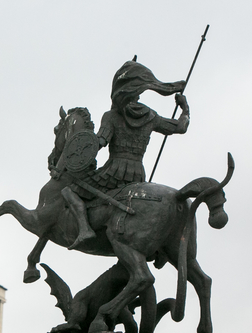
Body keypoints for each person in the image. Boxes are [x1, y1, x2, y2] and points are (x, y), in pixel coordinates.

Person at [61, 58, 190, 250]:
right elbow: (180, 127)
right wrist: (184, 107)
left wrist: (81, 150)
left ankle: (85, 229)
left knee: (69, 190)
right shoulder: (150, 116)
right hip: (138, 175)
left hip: (113, 172)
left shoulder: (111, 116)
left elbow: (100, 142)